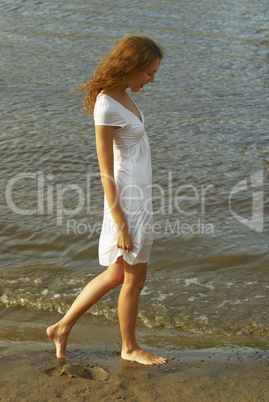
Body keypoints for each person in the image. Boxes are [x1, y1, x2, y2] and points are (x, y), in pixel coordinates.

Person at [46, 34, 167, 366]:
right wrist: (121, 224)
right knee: (134, 277)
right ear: (133, 65)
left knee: (117, 275)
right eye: (150, 72)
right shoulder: (106, 105)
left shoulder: (123, 95)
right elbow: (106, 173)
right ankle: (129, 347)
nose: (152, 80)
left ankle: (61, 327)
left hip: (138, 196)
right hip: (126, 201)